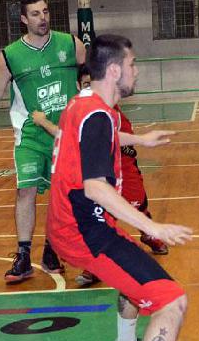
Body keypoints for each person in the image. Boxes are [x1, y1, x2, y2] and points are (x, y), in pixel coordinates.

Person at [31, 35, 195, 341]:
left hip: (72, 223)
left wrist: (140, 140)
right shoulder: (100, 115)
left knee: (135, 272)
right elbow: (96, 187)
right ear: (117, 70)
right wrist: (153, 226)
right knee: (172, 301)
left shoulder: (83, 104)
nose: (137, 71)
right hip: (85, 228)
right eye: (134, 64)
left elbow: (92, 144)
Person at [0, 0, 86, 283]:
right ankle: (23, 256)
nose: (42, 17)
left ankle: (52, 249)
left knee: (64, 198)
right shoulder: (10, 55)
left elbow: (91, 75)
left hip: (65, 135)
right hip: (30, 134)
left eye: (45, 11)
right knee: (25, 191)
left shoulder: (70, 44)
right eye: (35, 14)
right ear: (24, 19)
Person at [72, 65, 170, 289]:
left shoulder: (113, 115)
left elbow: (121, 148)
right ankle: (95, 263)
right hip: (96, 175)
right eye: (86, 85)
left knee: (136, 205)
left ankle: (148, 232)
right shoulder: (76, 111)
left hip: (122, 170)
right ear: (79, 87)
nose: (91, 89)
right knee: (100, 218)